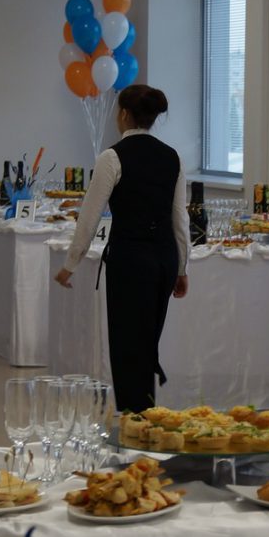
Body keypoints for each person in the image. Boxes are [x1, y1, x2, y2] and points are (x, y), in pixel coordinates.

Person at [54, 85, 190, 412]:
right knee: (148, 340)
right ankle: (145, 412)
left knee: (127, 342)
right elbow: (180, 219)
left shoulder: (112, 157)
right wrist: (182, 268)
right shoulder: (172, 157)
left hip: (130, 259)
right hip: (164, 258)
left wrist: (70, 265)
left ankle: (133, 416)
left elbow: (90, 217)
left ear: (124, 114)